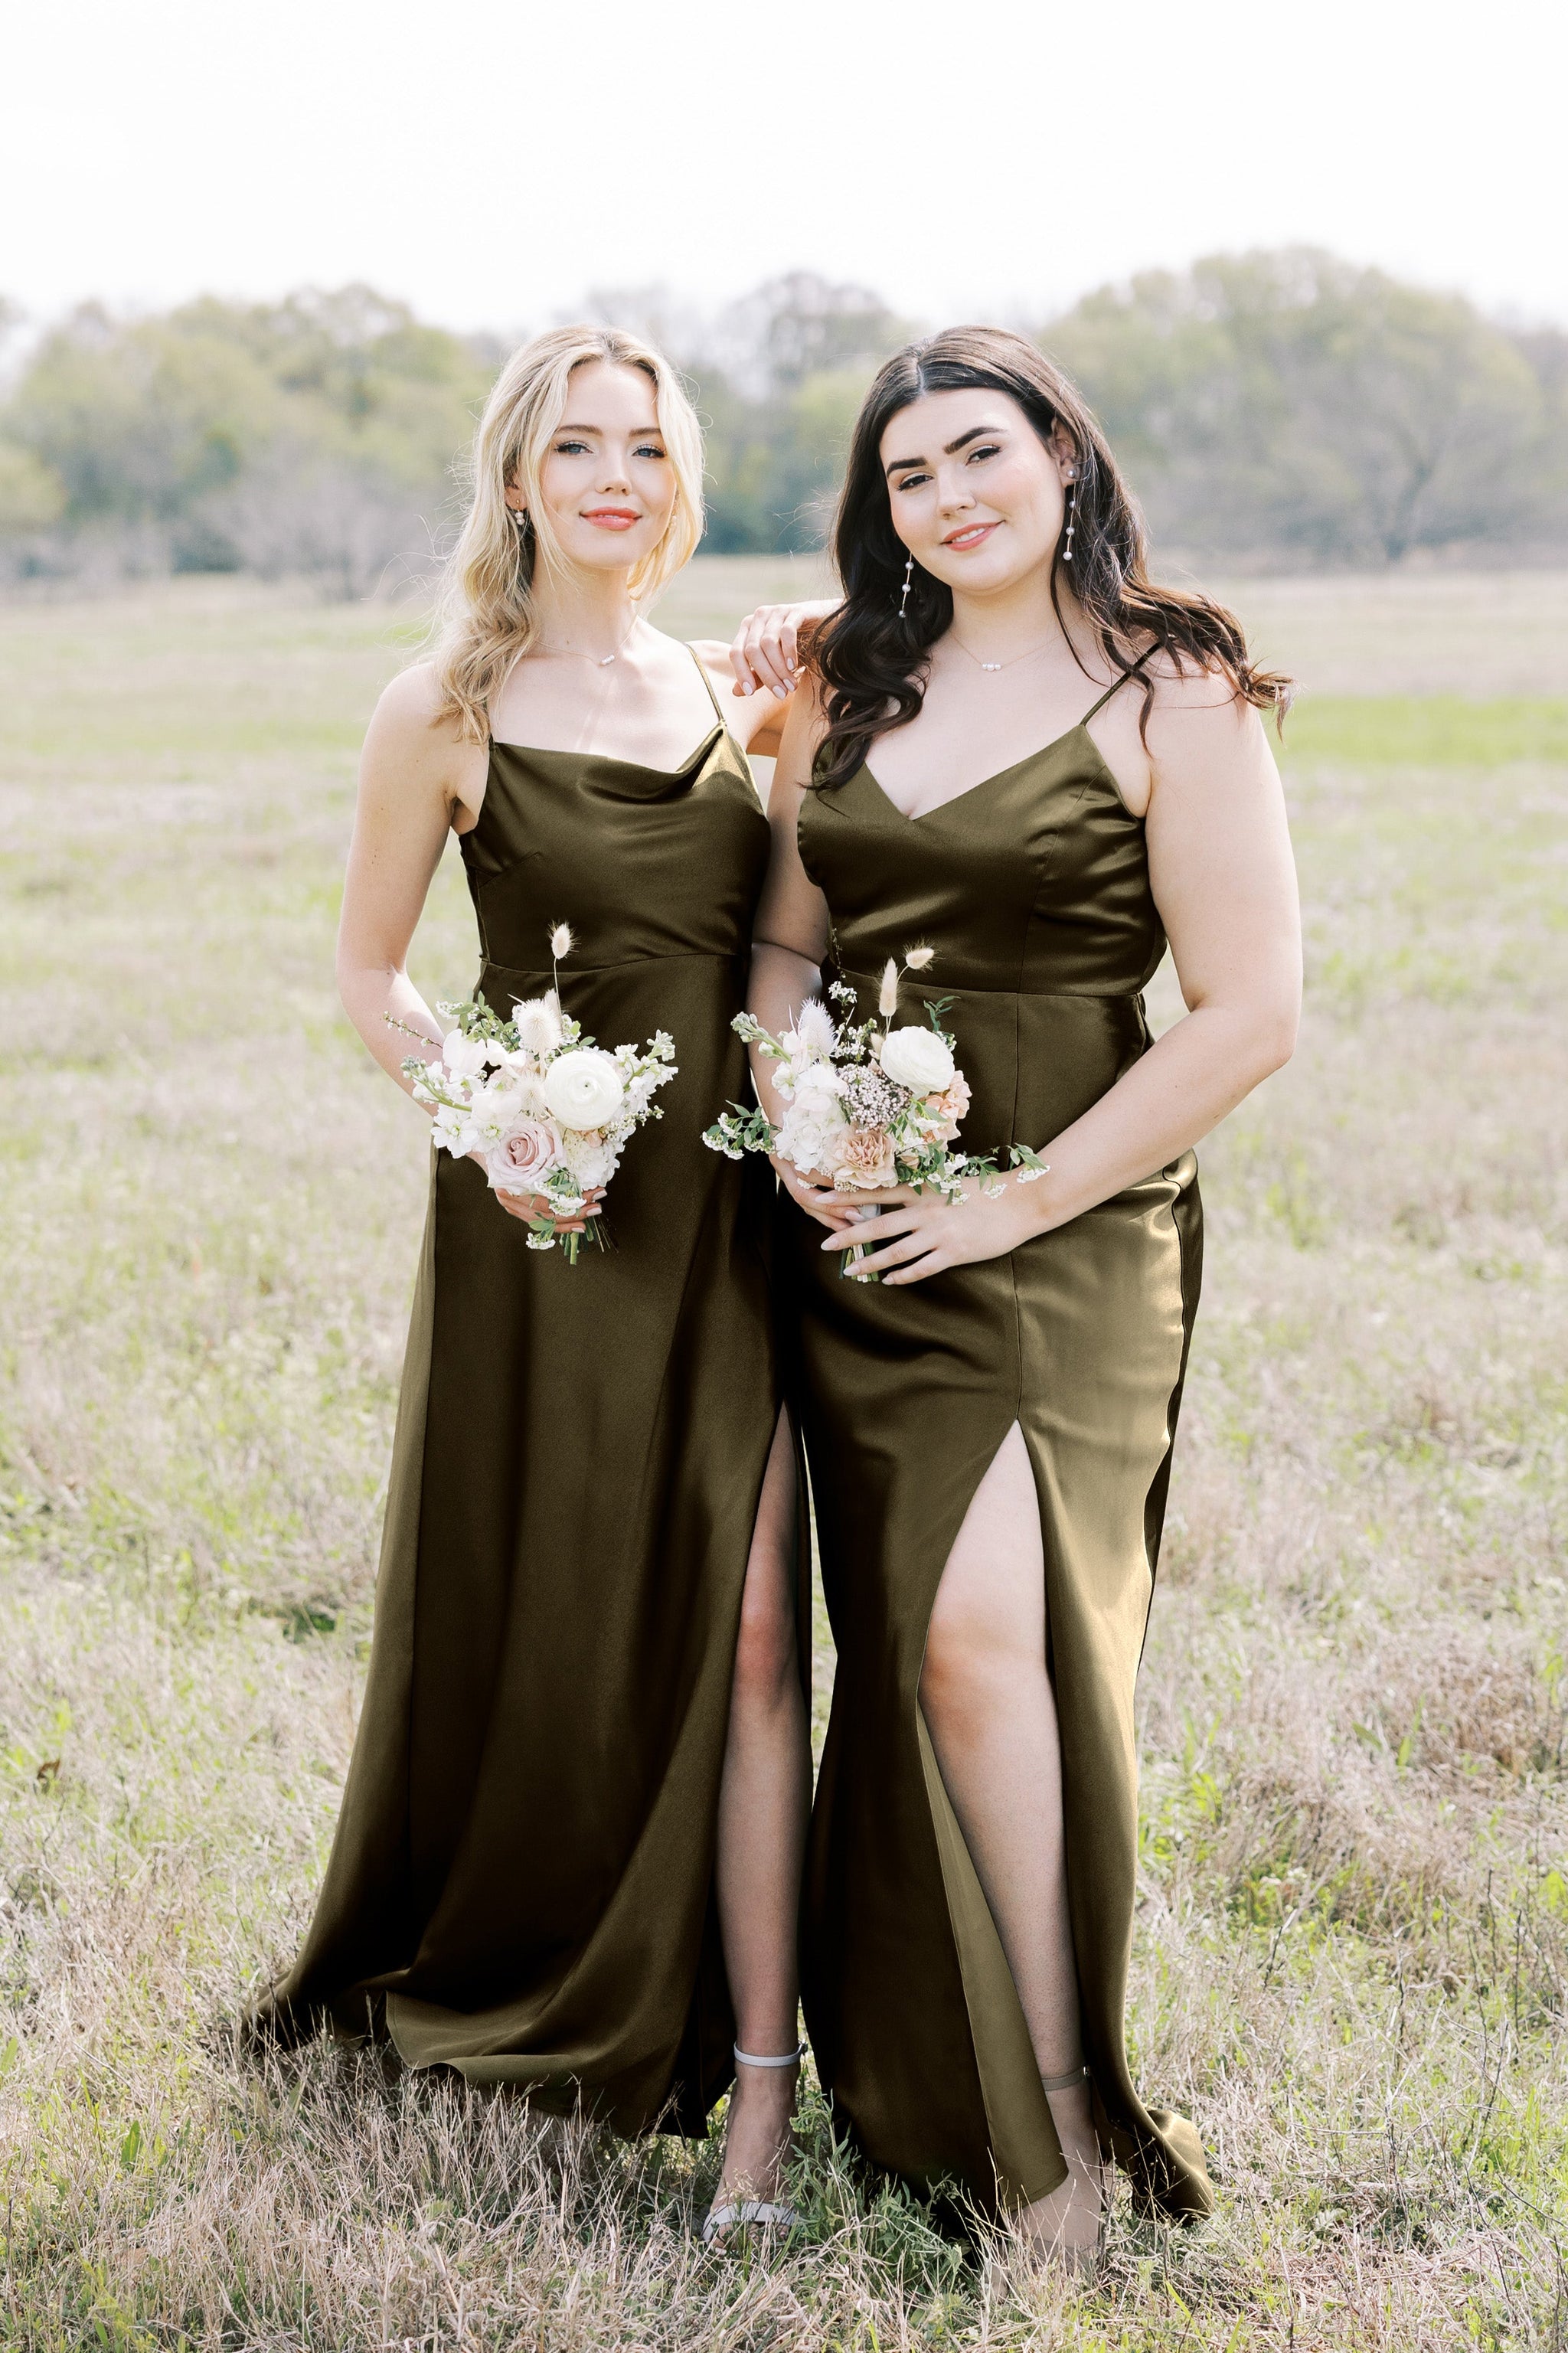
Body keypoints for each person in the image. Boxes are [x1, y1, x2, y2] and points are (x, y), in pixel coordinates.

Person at [252, 325, 819, 2234]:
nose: (610, 476)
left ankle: (753, 2093)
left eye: (643, 447)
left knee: (750, 1633)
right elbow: (369, 974)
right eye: (574, 444)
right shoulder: (444, 700)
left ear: (677, 478)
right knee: (550, 1599)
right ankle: (521, 1957)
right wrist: (491, 1115)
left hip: (731, 1214)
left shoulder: (734, 689)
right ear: (516, 476)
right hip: (547, 1216)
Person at [745, 326, 1301, 2264]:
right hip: (861, 1227)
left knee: (996, 1649)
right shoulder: (851, 680)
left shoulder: (1178, 688)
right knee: (909, 1659)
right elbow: (785, 948)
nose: (949, 496)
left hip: (1073, 1227)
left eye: (979, 452)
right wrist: (792, 1108)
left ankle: (1062, 2124)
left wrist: (1022, 1202)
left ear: (1062, 454)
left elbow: (1251, 1016)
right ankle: (930, 2079)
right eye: (907, 476)